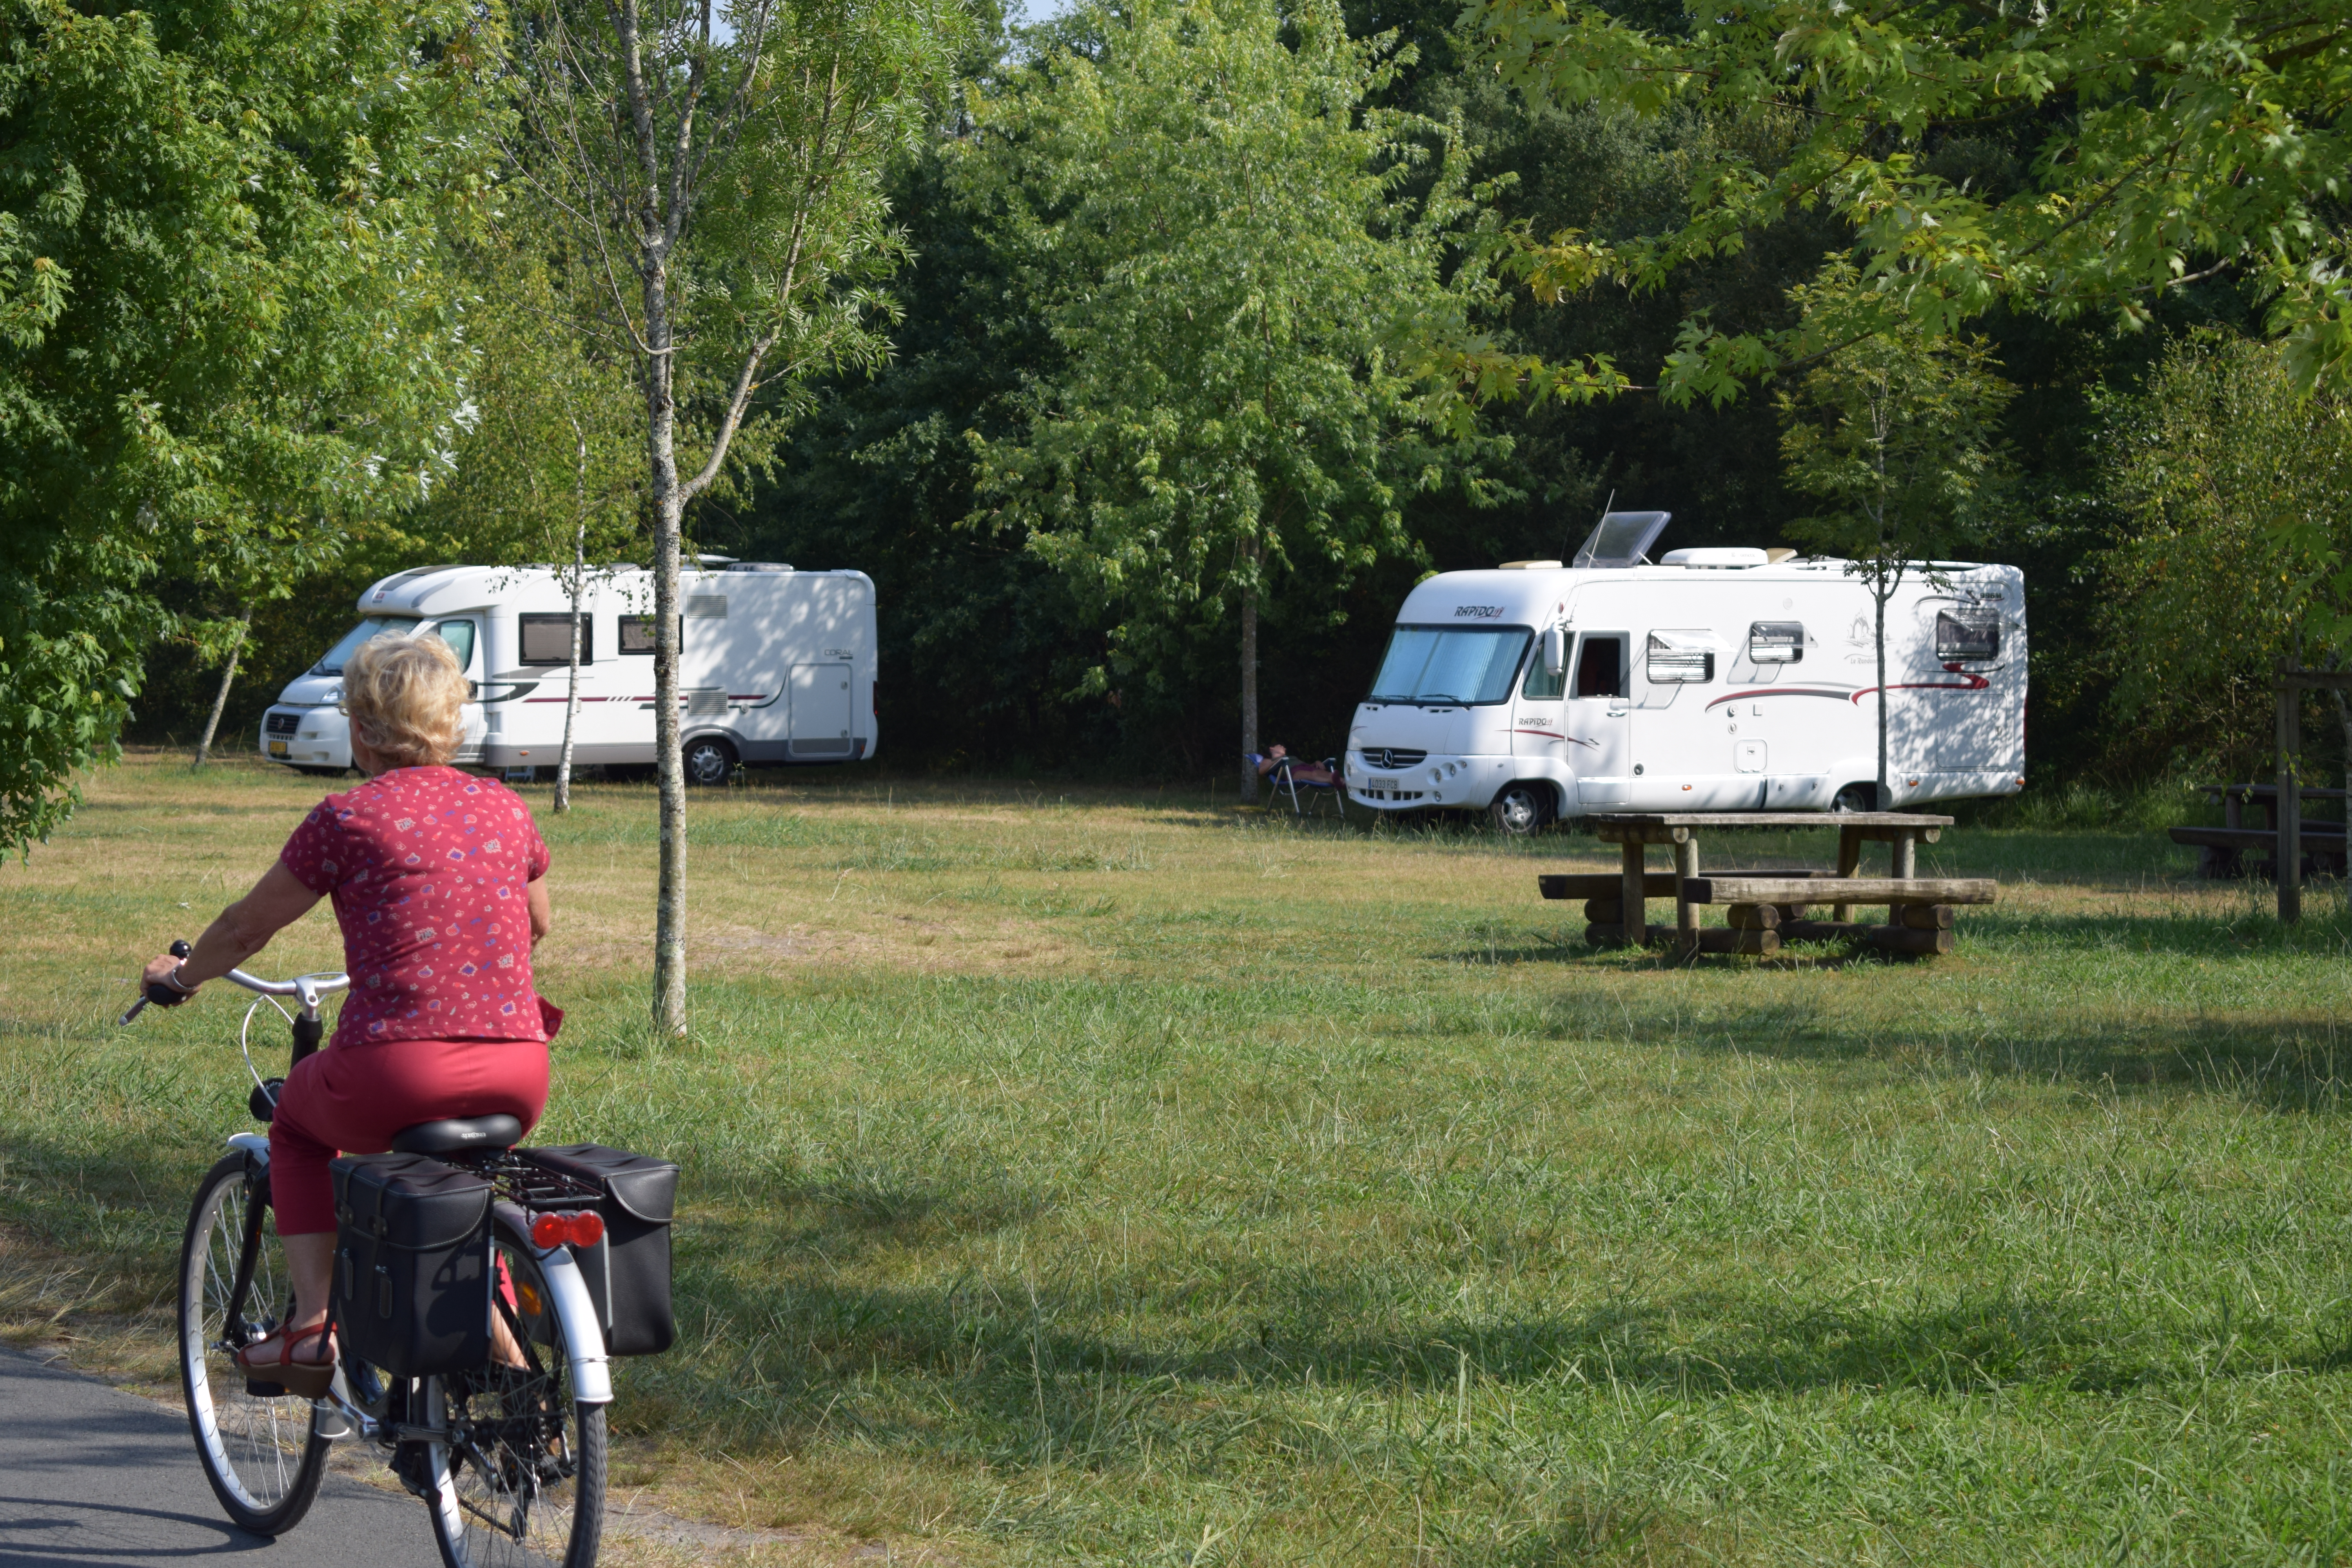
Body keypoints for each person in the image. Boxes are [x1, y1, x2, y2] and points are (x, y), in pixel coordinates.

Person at [141, 633, 559, 1397]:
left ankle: (314, 1322)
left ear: (360, 727)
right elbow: (537, 923)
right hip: (519, 1066)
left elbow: (244, 930)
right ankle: (517, 1374)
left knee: (296, 1130)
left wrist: (182, 974)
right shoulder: (505, 805)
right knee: (462, 1185)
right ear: (453, 722)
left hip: (398, 1069)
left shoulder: (347, 816)